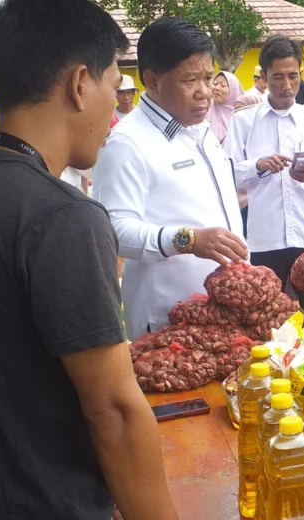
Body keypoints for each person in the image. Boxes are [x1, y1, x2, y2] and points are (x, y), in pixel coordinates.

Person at [0, 1, 184, 520]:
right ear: (79, 85)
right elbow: (112, 411)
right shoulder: (62, 217)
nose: (115, 114)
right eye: (115, 88)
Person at [94, 18, 247, 342]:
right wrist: (188, 240)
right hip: (169, 321)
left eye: (208, 78)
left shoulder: (201, 131)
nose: (204, 92)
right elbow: (113, 231)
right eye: (190, 80)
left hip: (225, 309)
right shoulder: (127, 143)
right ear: (152, 80)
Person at [226, 35, 304, 311]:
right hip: (265, 239)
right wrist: (257, 166)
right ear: (264, 77)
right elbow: (226, 174)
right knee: (264, 315)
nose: (287, 86)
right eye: (278, 77)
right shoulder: (244, 121)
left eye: (293, 76)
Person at [207, 70, 244, 145]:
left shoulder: (241, 115)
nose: (217, 88)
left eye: (223, 85)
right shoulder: (204, 108)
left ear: (233, 90)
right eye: (215, 84)